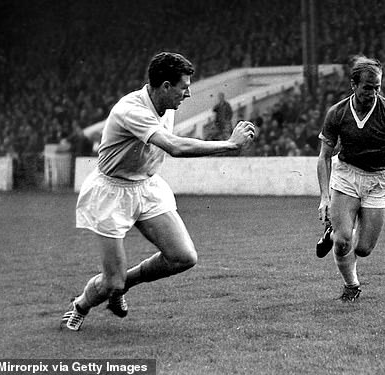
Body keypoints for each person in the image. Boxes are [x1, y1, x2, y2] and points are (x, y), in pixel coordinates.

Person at [61, 52, 255, 331]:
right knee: (111, 281)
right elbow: (174, 147)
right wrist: (230, 145)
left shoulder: (168, 104)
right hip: (111, 192)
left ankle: (121, 285)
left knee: (183, 257)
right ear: (165, 86)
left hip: (146, 186)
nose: (188, 94)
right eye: (184, 87)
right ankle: (80, 305)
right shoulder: (131, 110)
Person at [315, 55, 385, 302]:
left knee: (363, 249)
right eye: (367, 87)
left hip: (379, 180)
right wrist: (324, 197)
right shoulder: (337, 113)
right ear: (353, 85)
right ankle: (351, 285)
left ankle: (334, 230)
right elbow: (324, 157)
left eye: (377, 87)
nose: (373, 93)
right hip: (347, 175)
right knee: (343, 242)